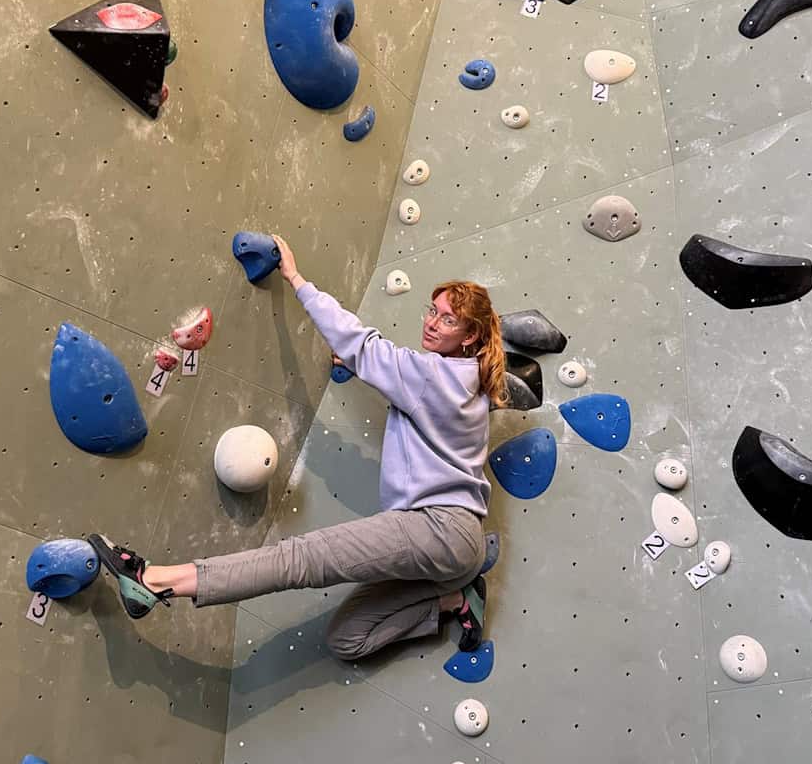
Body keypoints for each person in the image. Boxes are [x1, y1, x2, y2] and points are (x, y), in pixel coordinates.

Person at [87, 234, 508, 661]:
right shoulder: (467, 385)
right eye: (431, 311)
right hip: (455, 547)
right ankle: (453, 601)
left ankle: (153, 581)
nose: (432, 323)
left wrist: (295, 277)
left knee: (299, 560)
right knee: (347, 640)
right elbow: (420, 405)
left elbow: (360, 343)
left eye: (448, 320)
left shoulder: (433, 375)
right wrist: (365, 371)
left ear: (470, 336)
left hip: (436, 527)